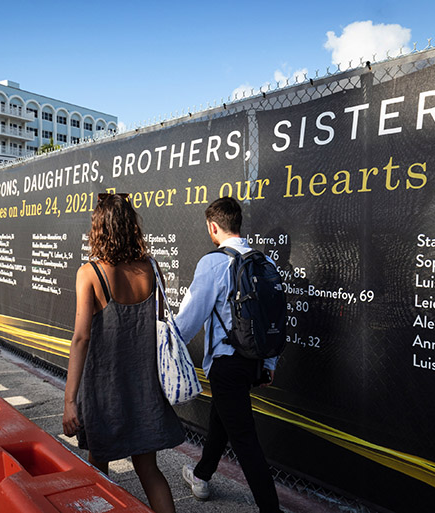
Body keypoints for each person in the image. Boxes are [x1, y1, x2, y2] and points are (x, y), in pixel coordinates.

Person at [62, 193, 184, 513]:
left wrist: (69, 401)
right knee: (148, 469)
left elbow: (81, 338)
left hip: (104, 389)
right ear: (132, 226)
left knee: (97, 472)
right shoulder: (151, 268)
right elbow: (155, 325)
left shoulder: (89, 273)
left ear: (98, 228)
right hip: (145, 387)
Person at [175, 196, 281, 513]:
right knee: (222, 420)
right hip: (256, 362)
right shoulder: (266, 263)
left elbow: (191, 316)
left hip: (227, 365)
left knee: (245, 442)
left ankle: (271, 509)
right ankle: (202, 475)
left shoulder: (214, 263)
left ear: (213, 226)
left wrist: (167, 343)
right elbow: (273, 318)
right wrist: (270, 363)